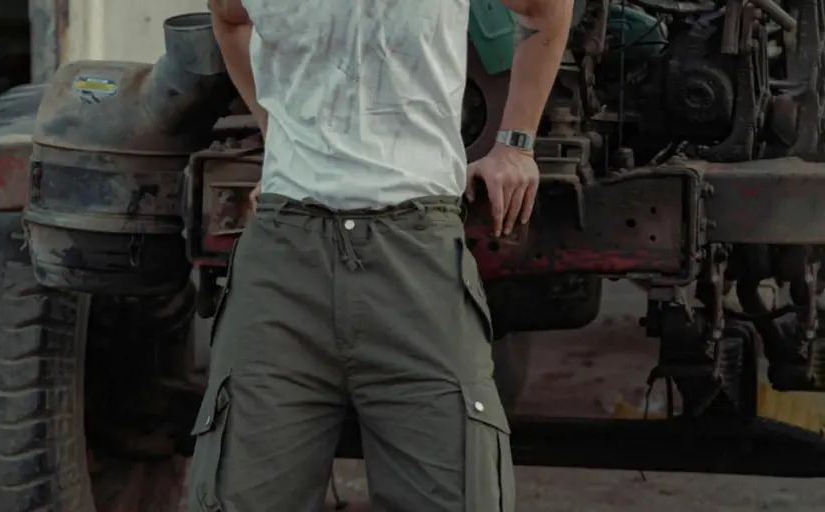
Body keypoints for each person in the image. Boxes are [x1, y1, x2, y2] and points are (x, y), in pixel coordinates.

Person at [188, 0, 572, 510]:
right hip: (283, 262)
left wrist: (516, 143)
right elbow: (230, 17)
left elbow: (545, 8)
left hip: (415, 257)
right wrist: (279, 132)